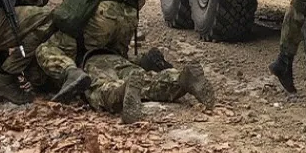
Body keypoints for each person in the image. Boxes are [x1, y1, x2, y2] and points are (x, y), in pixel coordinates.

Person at [80, 47, 215, 124]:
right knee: (145, 81)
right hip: (118, 57)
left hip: (91, 61)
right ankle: (180, 79)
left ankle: (121, 91)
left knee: (99, 88)